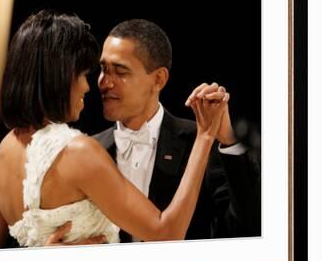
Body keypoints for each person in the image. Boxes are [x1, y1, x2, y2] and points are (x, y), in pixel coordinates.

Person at [0, 10, 230, 249]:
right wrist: (206, 135)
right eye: (83, 75)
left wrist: (40, 259)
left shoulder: (3, 153)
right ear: (60, 77)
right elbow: (167, 233)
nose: (89, 86)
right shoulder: (79, 151)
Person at [50, 19, 259, 243]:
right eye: (103, 69)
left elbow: (248, 226)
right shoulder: (86, 151)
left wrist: (228, 141)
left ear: (158, 79)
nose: (103, 82)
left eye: (120, 71)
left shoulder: (199, 142)